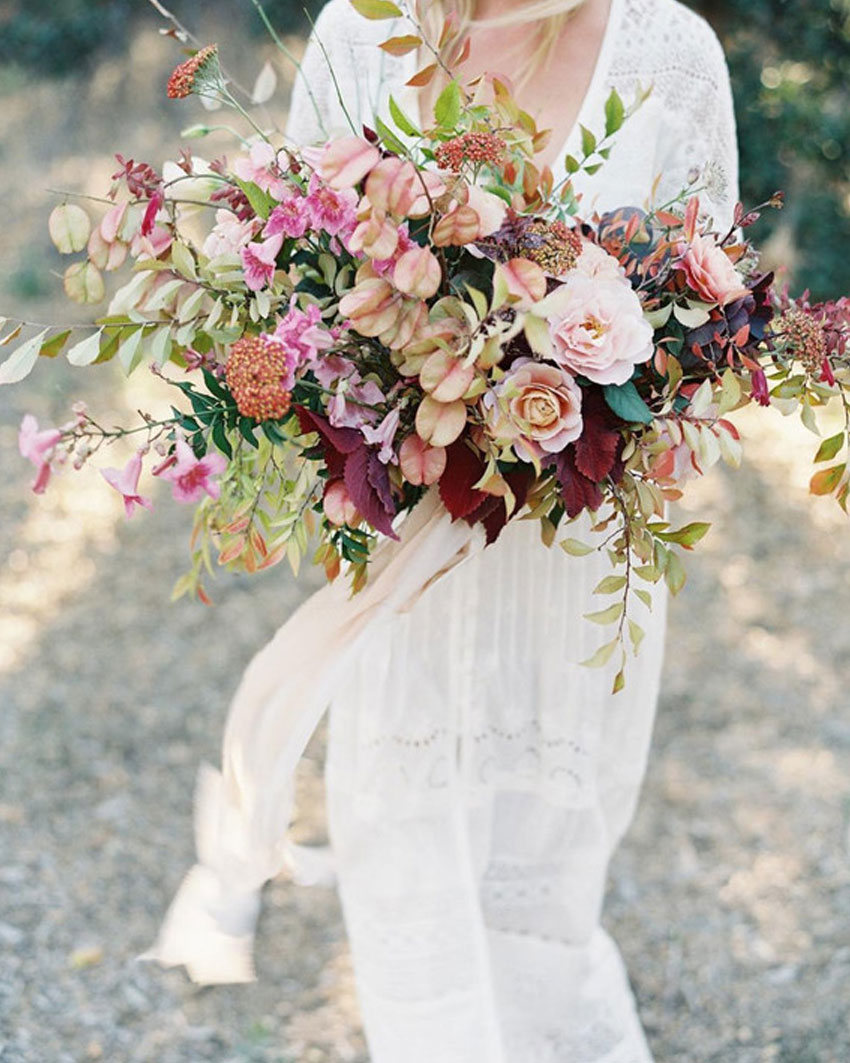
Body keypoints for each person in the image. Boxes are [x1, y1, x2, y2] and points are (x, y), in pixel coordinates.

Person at [282, 0, 739, 1060]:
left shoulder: (668, 51)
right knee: (403, 871)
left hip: (575, 566)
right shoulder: (357, 33)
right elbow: (294, 298)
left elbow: (709, 335)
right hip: (409, 560)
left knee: (546, 893)